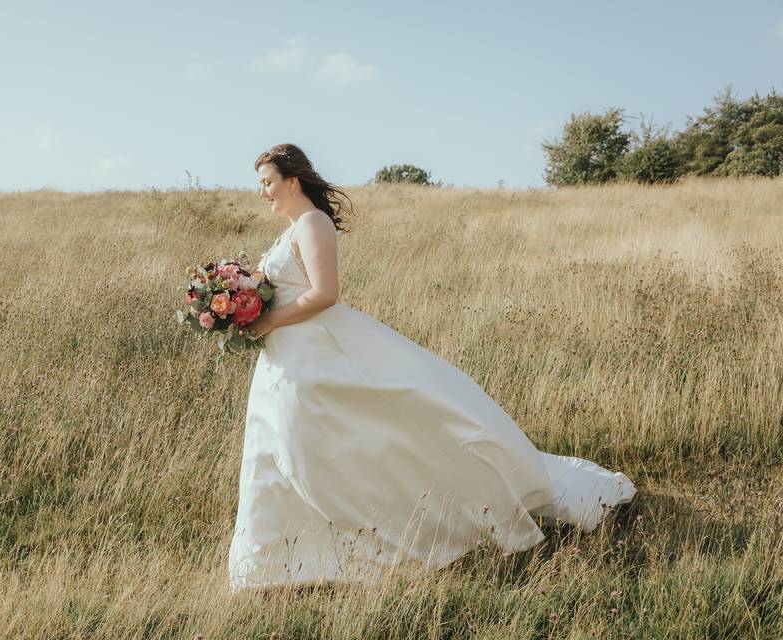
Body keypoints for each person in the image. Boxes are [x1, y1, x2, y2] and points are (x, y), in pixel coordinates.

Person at [227, 143, 636, 593]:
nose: (263, 191)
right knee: (283, 454)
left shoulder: (313, 224)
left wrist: (264, 321)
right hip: (284, 362)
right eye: (261, 184)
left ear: (293, 180)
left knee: (333, 450)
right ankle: (277, 564)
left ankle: (411, 535)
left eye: (267, 182)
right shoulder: (286, 233)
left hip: (317, 355)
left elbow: (325, 294)